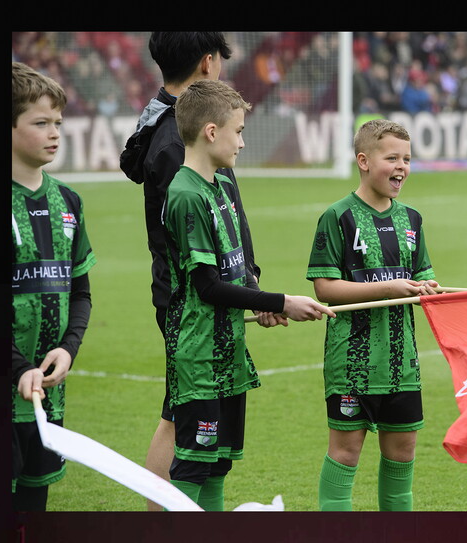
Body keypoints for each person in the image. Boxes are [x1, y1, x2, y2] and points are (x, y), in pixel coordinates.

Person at [162, 79, 335, 511]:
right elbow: (206, 286)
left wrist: (257, 301)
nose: (243, 141)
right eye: (238, 131)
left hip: (228, 347)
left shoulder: (221, 186)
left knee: (218, 463)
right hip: (198, 352)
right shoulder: (185, 194)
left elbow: (234, 269)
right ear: (211, 132)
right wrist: (281, 303)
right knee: (194, 464)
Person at [119, 32, 270, 511]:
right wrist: (249, 290)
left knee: (195, 432)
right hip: (192, 303)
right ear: (208, 63)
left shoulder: (169, 121)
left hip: (214, 293)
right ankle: (164, 518)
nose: (241, 141)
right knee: (182, 425)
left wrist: (248, 280)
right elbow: (190, 239)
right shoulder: (179, 145)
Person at [306, 119, 439, 511]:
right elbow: (325, 288)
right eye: (392, 158)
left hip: (403, 364)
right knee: (346, 452)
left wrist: (429, 287)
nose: (402, 167)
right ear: (363, 160)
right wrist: (391, 288)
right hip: (352, 362)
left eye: (408, 159)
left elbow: (424, 274)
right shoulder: (339, 217)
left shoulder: (412, 220)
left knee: (403, 451)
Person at [11, 61, 96, 511]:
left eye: (58, 123)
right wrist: (15, 367)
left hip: (48, 392)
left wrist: (68, 347)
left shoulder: (69, 201)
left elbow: (80, 292)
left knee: (33, 506)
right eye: (40, 122)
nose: (54, 133)